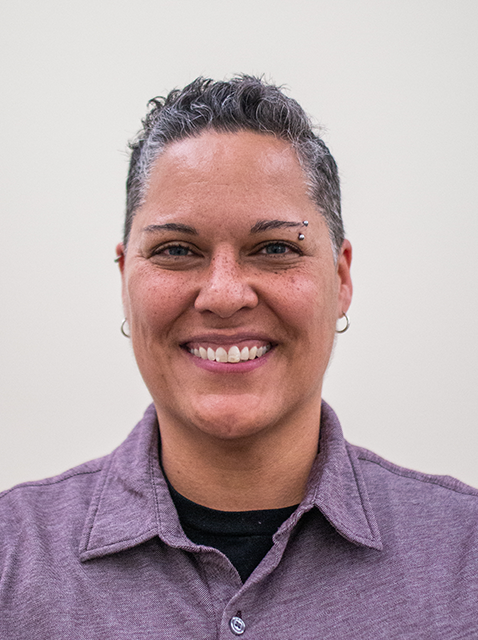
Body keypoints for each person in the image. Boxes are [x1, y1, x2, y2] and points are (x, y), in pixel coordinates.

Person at [1, 76, 477, 639]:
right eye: (176, 250)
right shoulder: (13, 559)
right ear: (125, 278)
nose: (225, 295)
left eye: (275, 248)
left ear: (342, 278)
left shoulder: (463, 559)